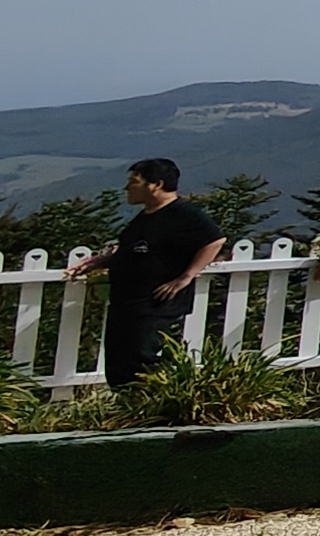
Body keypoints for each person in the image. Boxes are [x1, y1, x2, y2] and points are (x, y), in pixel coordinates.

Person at [63, 157, 226, 388]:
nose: (127, 188)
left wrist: (186, 276)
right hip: (127, 302)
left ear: (156, 184)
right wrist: (101, 261)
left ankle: (149, 402)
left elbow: (215, 240)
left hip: (153, 305)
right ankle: (127, 402)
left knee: (142, 361)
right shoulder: (146, 217)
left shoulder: (183, 213)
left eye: (134, 182)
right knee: (120, 363)